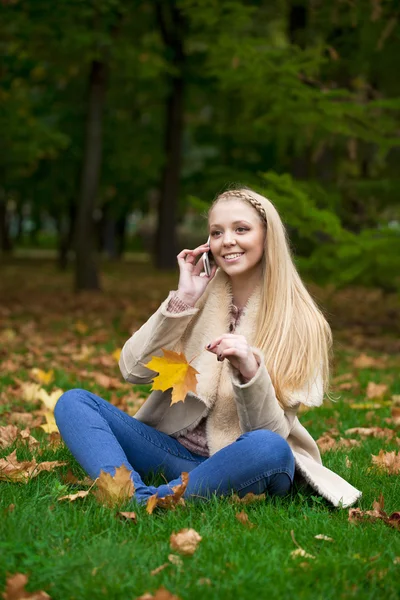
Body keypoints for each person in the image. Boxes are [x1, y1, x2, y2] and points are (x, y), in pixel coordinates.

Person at [55, 187, 362, 508]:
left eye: (241, 229)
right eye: (217, 232)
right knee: (74, 402)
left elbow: (270, 431)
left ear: (267, 237)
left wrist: (250, 371)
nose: (227, 240)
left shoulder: (302, 322)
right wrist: (182, 300)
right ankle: (133, 495)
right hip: (174, 454)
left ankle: (157, 498)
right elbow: (132, 370)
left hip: (247, 462)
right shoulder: (196, 302)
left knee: (269, 446)